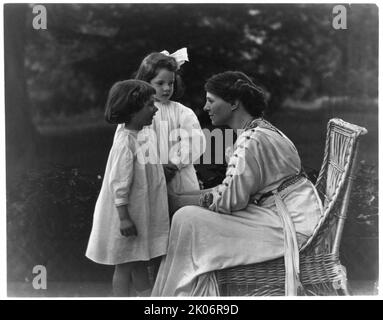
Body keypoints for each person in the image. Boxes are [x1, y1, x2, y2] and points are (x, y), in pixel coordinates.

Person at [151, 71, 324, 296]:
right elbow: (231, 190)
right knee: (188, 215)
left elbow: (229, 200)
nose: (205, 107)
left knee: (187, 219)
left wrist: (177, 203)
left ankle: (176, 296)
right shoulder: (259, 130)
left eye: (211, 101)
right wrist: (180, 199)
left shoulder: (251, 141)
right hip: (287, 211)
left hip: (291, 225)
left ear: (233, 103)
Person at [85, 80, 169, 297]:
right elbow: (119, 183)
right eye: (150, 105)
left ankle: (147, 297)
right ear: (132, 110)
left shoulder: (141, 134)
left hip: (140, 211)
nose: (156, 109)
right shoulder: (125, 142)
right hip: (128, 213)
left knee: (138, 259)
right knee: (124, 266)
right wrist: (123, 217)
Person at [115, 48, 206, 194]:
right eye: (160, 83)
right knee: (153, 209)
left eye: (170, 83)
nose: (166, 88)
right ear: (146, 82)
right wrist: (155, 169)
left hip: (179, 177)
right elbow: (126, 142)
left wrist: (174, 164)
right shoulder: (135, 112)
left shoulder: (182, 112)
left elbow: (195, 141)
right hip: (147, 176)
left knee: (181, 210)